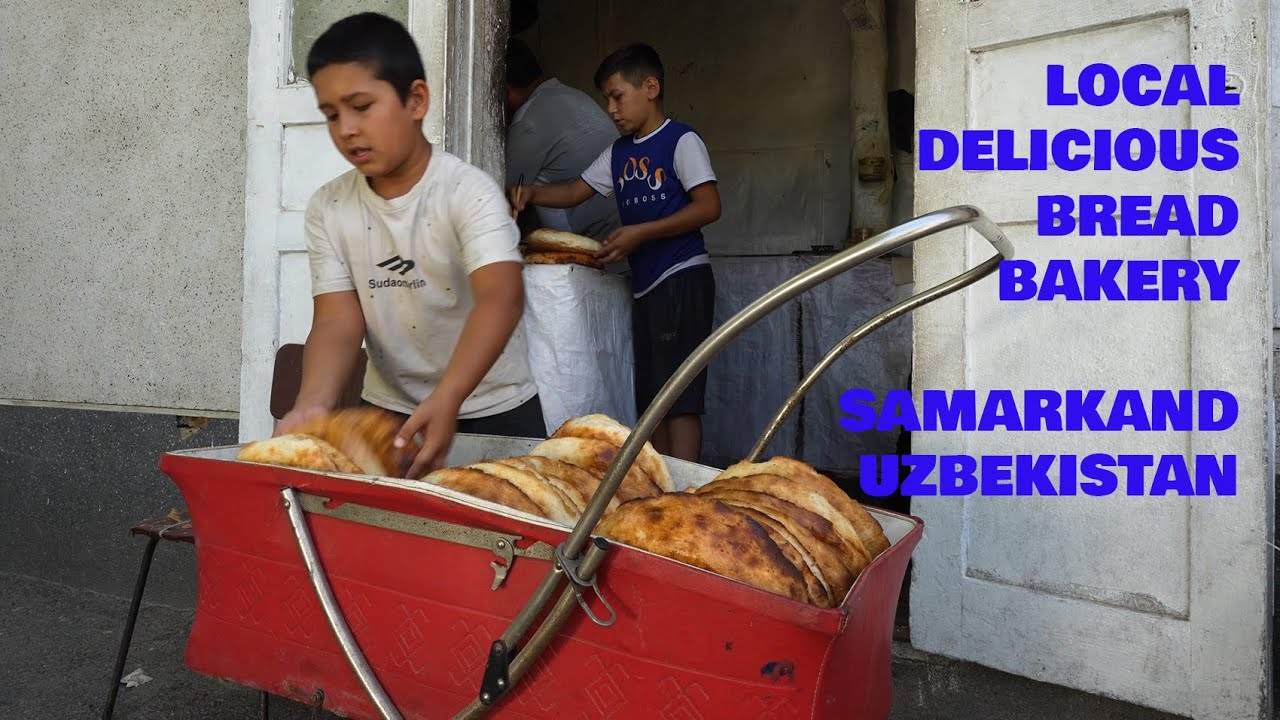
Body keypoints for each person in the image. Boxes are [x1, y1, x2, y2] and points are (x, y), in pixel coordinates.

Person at [275, 12, 544, 478]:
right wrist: (312, 405)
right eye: (332, 114)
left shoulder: (468, 192)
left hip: (494, 409)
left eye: (362, 106)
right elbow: (338, 319)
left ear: (416, 100)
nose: (346, 129)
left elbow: (502, 297)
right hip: (387, 417)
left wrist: (449, 398)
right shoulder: (330, 207)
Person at [509, 43, 721, 463]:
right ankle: (663, 489)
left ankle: (686, 490)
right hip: (646, 285)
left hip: (681, 277)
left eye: (617, 96)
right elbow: (575, 191)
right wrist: (532, 191)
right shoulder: (620, 153)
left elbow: (709, 206)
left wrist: (641, 233)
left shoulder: (681, 141)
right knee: (654, 397)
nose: (610, 108)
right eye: (607, 98)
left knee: (680, 397)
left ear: (651, 87)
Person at [504, 37, 620, 242]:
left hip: (590, 246)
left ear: (506, 90)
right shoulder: (576, 96)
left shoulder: (527, 120)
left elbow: (504, 197)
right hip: (621, 234)